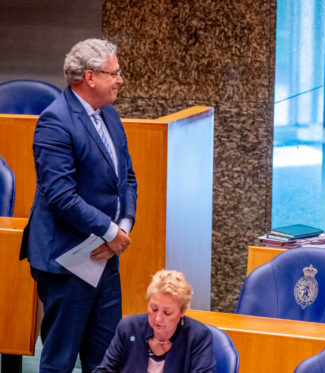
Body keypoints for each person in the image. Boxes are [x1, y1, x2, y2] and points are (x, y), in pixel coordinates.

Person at [19, 39, 137, 372]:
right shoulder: (55, 121)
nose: (120, 80)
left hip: (105, 259)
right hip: (66, 261)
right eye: (114, 73)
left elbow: (126, 177)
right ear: (90, 77)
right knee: (60, 360)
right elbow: (61, 197)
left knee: (108, 359)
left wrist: (123, 226)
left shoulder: (109, 115)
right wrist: (109, 230)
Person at [94, 269, 217, 372]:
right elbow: (104, 370)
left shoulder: (198, 337)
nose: (158, 318)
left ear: (182, 311)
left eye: (167, 312)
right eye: (154, 308)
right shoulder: (129, 329)